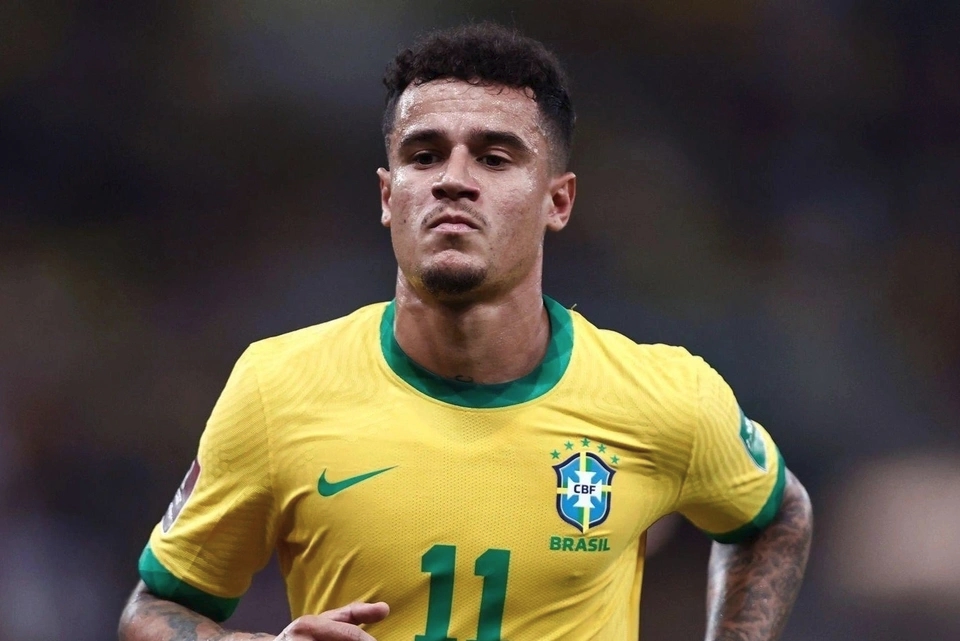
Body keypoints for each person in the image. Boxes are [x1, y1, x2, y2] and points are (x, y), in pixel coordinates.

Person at [118, 22, 813, 641]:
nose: (453, 180)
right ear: (388, 196)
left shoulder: (667, 398)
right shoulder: (277, 388)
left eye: (495, 157)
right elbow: (155, 608)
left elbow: (778, 515)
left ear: (558, 200)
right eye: (424, 155)